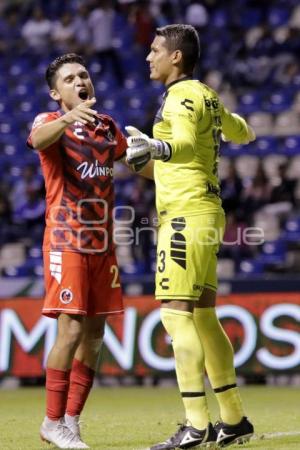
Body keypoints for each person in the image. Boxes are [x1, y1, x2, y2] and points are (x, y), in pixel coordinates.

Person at [126, 24, 256, 449]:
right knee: (203, 314)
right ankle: (233, 418)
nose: (149, 57)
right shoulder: (207, 95)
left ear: (175, 57)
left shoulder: (179, 97)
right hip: (207, 211)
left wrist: (157, 148)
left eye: (155, 50)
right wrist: (145, 159)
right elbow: (239, 129)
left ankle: (195, 425)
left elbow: (178, 144)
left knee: (175, 313)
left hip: (184, 217)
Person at [27, 53, 127, 449]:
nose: (80, 81)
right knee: (69, 327)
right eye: (69, 79)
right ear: (56, 92)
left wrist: (174, 163)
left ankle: (70, 420)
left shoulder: (107, 127)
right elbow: (37, 142)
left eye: (83, 75)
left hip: (102, 244)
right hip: (66, 240)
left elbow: (134, 163)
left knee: (95, 334)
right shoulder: (49, 122)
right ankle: (51, 421)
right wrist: (70, 118)